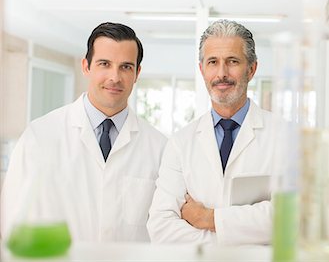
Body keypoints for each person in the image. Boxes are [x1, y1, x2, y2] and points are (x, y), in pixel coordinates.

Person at [1, 22, 167, 242]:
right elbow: (12, 223)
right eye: (104, 64)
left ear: (137, 73)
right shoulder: (40, 136)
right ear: (86, 66)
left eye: (125, 67)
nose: (114, 77)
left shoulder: (159, 147)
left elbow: (164, 230)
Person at [148, 19, 285, 245]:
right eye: (213, 62)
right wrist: (234, 241)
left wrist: (207, 218)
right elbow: (161, 227)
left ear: (251, 69)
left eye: (232, 61)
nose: (222, 73)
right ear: (202, 70)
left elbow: (290, 217)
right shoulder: (181, 143)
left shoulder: (284, 136)